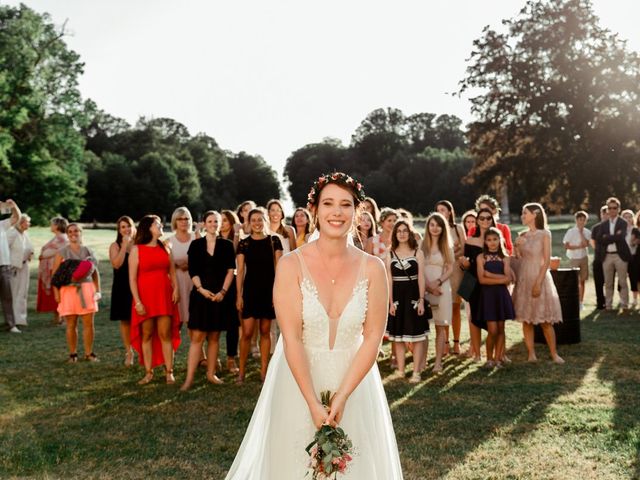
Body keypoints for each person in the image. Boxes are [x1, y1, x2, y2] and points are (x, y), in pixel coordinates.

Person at [225, 172, 403, 479]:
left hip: (356, 382)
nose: (337, 212)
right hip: (298, 381)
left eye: (345, 204)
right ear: (315, 210)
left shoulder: (373, 268)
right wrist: (312, 402)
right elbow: (291, 338)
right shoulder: (291, 264)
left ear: (357, 211)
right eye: (329, 203)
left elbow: (373, 336)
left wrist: (343, 395)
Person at [181, 211, 236, 390]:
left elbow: (230, 271)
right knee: (197, 337)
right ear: (204, 224)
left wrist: (223, 291)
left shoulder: (227, 245)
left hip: (220, 297)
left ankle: (211, 373)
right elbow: (193, 271)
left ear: (220, 224)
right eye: (210, 221)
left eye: (216, 221)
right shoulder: (196, 245)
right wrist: (201, 290)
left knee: (214, 337)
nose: (213, 224)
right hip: (201, 296)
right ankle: (189, 378)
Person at [129, 215, 181, 385]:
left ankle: (169, 371)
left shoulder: (166, 247)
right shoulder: (137, 249)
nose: (161, 227)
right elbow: (132, 279)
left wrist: (176, 289)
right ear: (148, 228)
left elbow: (172, 272)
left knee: (165, 333)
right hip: (144, 297)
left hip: (164, 296)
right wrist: (137, 302)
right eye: (157, 225)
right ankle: (148, 372)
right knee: (147, 334)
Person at [512, 203, 564, 364]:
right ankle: (531, 354)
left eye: (524, 213)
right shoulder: (523, 235)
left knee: (545, 321)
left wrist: (538, 283)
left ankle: (554, 354)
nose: (522, 216)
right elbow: (518, 260)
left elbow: (547, 260)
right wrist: (516, 247)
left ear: (535, 214)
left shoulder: (544, 234)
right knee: (526, 319)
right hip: (524, 278)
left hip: (539, 277)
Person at [236, 208, 283, 383]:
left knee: (265, 331)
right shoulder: (244, 243)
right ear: (249, 222)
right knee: (247, 333)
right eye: (253, 220)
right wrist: (238, 296)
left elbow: (280, 269)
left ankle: (264, 372)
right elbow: (240, 271)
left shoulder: (274, 241)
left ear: (265, 220)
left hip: (268, 291)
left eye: (260, 219)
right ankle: (241, 372)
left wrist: (276, 293)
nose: (256, 223)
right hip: (250, 291)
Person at [386, 219, 428, 383]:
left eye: (405, 230)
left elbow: (421, 278)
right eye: (399, 231)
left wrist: (421, 300)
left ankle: (416, 372)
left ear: (410, 233)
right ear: (395, 234)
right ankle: (401, 370)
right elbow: (389, 280)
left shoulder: (418, 252)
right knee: (398, 336)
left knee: (416, 335)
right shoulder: (390, 253)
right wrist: (390, 303)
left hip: (413, 296)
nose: (402, 233)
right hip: (397, 297)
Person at [52, 223, 101, 361]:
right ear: (67, 234)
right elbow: (54, 275)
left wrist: (98, 291)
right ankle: (73, 354)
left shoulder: (88, 251)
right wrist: (56, 293)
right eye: (70, 231)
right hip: (68, 291)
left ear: (81, 233)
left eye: (76, 231)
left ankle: (89, 353)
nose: (73, 233)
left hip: (86, 289)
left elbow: (95, 273)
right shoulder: (62, 252)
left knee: (88, 324)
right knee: (71, 324)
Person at [461, 208, 497, 361]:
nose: (485, 221)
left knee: (494, 319)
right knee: (473, 318)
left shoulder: (495, 239)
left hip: (491, 282)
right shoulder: (470, 240)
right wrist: (464, 264)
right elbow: (465, 265)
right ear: (477, 220)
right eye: (481, 218)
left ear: (492, 219)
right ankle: (476, 353)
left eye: (488, 218)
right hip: (472, 282)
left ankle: (497, 352)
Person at [476, 228, 515, 368]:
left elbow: (508, 279)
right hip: (488, 297)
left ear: (500, 240)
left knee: (501, 329)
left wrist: (490, 275)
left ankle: (498, 359)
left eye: (495, 239)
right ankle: (489, 358)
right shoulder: (481, 258)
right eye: (489, 240)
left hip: (501, 296)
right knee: (492, 330)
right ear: (485, 242)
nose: (492, 243)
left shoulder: (505, 257)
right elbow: (481, 280)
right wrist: (501, 279)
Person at [422, 212, 453, 373]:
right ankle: (423, 361)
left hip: (441, 289)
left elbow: (450, 268)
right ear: (428, 226)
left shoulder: (446, 246)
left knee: (440, 326)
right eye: (432, 224)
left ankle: (438, 362)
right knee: (423, 327)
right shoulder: (421, 245)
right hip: (424, 288)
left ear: (443, 228)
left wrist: (437, 283)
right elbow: (418, 267)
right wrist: (428, 285)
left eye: (438, 225)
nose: (435, 228)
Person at [436, 200, 466, 355]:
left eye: (443, 209)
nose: (441, 212)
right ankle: (445, 342)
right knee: (443, 308)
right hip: (441, 272)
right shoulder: (435, 230)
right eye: (438, 210)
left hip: (456, 272)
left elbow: (464, 250)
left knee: (455, 307)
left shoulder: (458, 228)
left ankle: (456, 342)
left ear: (449, 212)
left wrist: (453, 255)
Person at [594, 197, 631, 310]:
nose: (612, 210)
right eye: (609, 208)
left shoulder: (622, 222)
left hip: (620, 256)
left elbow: (621, 237)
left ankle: (624, 305)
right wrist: (614, 237)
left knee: (622, 281)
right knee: (608, 283)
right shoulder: (604, 225)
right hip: (607, 256)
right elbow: (599, 239)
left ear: (618, 209)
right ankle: (608, 305)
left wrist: (608, 237)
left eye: (614, 208)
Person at [109, 216, 136, 366]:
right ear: (119, 230)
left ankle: (143, 349)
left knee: (141, 319)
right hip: (122, 286)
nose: (126, 229)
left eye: (128, 226)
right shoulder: (115, 246)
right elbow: (117, 264)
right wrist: (125, 246)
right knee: (125, 320)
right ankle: (129, 351)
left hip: (138, 286)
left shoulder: (139, 244)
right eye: (123, 227)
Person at [168, 207, 197, 327]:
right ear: (175, 221)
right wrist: (174, 264)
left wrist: (190, 264)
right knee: (175, 323)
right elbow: (164, 265)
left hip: (194, 283)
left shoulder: (197, 238)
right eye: (180, 219)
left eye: (186, 218)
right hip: (177, 284)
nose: (184, 221)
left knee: (195, 323)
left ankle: (198, 346)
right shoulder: (168, 241)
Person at [37, 216, 69, 324]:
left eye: (52, 224)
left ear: (57, 226)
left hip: (56, 267)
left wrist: (44, 255)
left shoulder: (62, 238)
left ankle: (61, 317)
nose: (50, 226)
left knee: (58, 292)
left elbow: (61, 250)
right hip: (51, 267)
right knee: (53, 293)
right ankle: (57, 316)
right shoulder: (57, 237)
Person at [220, 209, 241, 372]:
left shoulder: (236, 238)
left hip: (231, 283)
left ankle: (231, 357)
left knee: (232, 322)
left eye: (225, 220)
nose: (221, 223)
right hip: (213, 283)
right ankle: (209, 358)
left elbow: (230, 255)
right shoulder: (212, 238)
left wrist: (235, 235)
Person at [8, 214, 33, 327]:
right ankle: (13, 319)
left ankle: (21, 318)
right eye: (27, 222)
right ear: (21, 222)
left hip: (24, 266)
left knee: (23, 292)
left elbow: (30, 247)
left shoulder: (25, 234)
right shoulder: (12, 233)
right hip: (14, 267)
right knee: (14, 292)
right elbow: (4, 248)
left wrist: (30, 254)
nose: (29, 224)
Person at [562, 211, 591, 310]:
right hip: (574, 258)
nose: (581, 222)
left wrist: (581, 233)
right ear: (576, 220)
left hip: (583, 258)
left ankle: (581, 302)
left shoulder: (587, 232)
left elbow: (586, 244)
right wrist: (578, 246)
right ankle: (572, 301)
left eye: (583, 220)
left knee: (582, 281)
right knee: (574, 281)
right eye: (580, 220)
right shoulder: (571, 232)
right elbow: (566, 246)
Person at [0, 199, 21, 333]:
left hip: (4, 266)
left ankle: (11, 325)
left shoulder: (2, 225)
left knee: (7, 296)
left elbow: (17, 217)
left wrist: (14, 206)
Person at [590, 205, 609, 309]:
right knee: (599, 282)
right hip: (598, 258)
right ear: (601, 214)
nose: (605, 215)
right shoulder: (596, 228)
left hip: (610, 258)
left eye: (607, 213)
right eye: (604, 213)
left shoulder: (612, 227)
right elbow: (592, 242)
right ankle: (600, 302)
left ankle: (608, 302)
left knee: (609, 282)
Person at [621, 209, 638, 308]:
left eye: (629, 217)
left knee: (633, 278)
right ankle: (623, 299)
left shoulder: (635, 230)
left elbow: (634, 243)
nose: (627, 219)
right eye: (625, 217)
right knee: (622, 280)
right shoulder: (620, 230)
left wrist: (634, 241)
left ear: (632, 218)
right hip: (622, 257)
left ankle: (635, 299)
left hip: (633, 257)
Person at [630, 212, 640, 308]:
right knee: (635, 278)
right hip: (637, 257)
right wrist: (636, 241)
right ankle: (635, 299)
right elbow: (631, 242)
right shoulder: (635, 230)